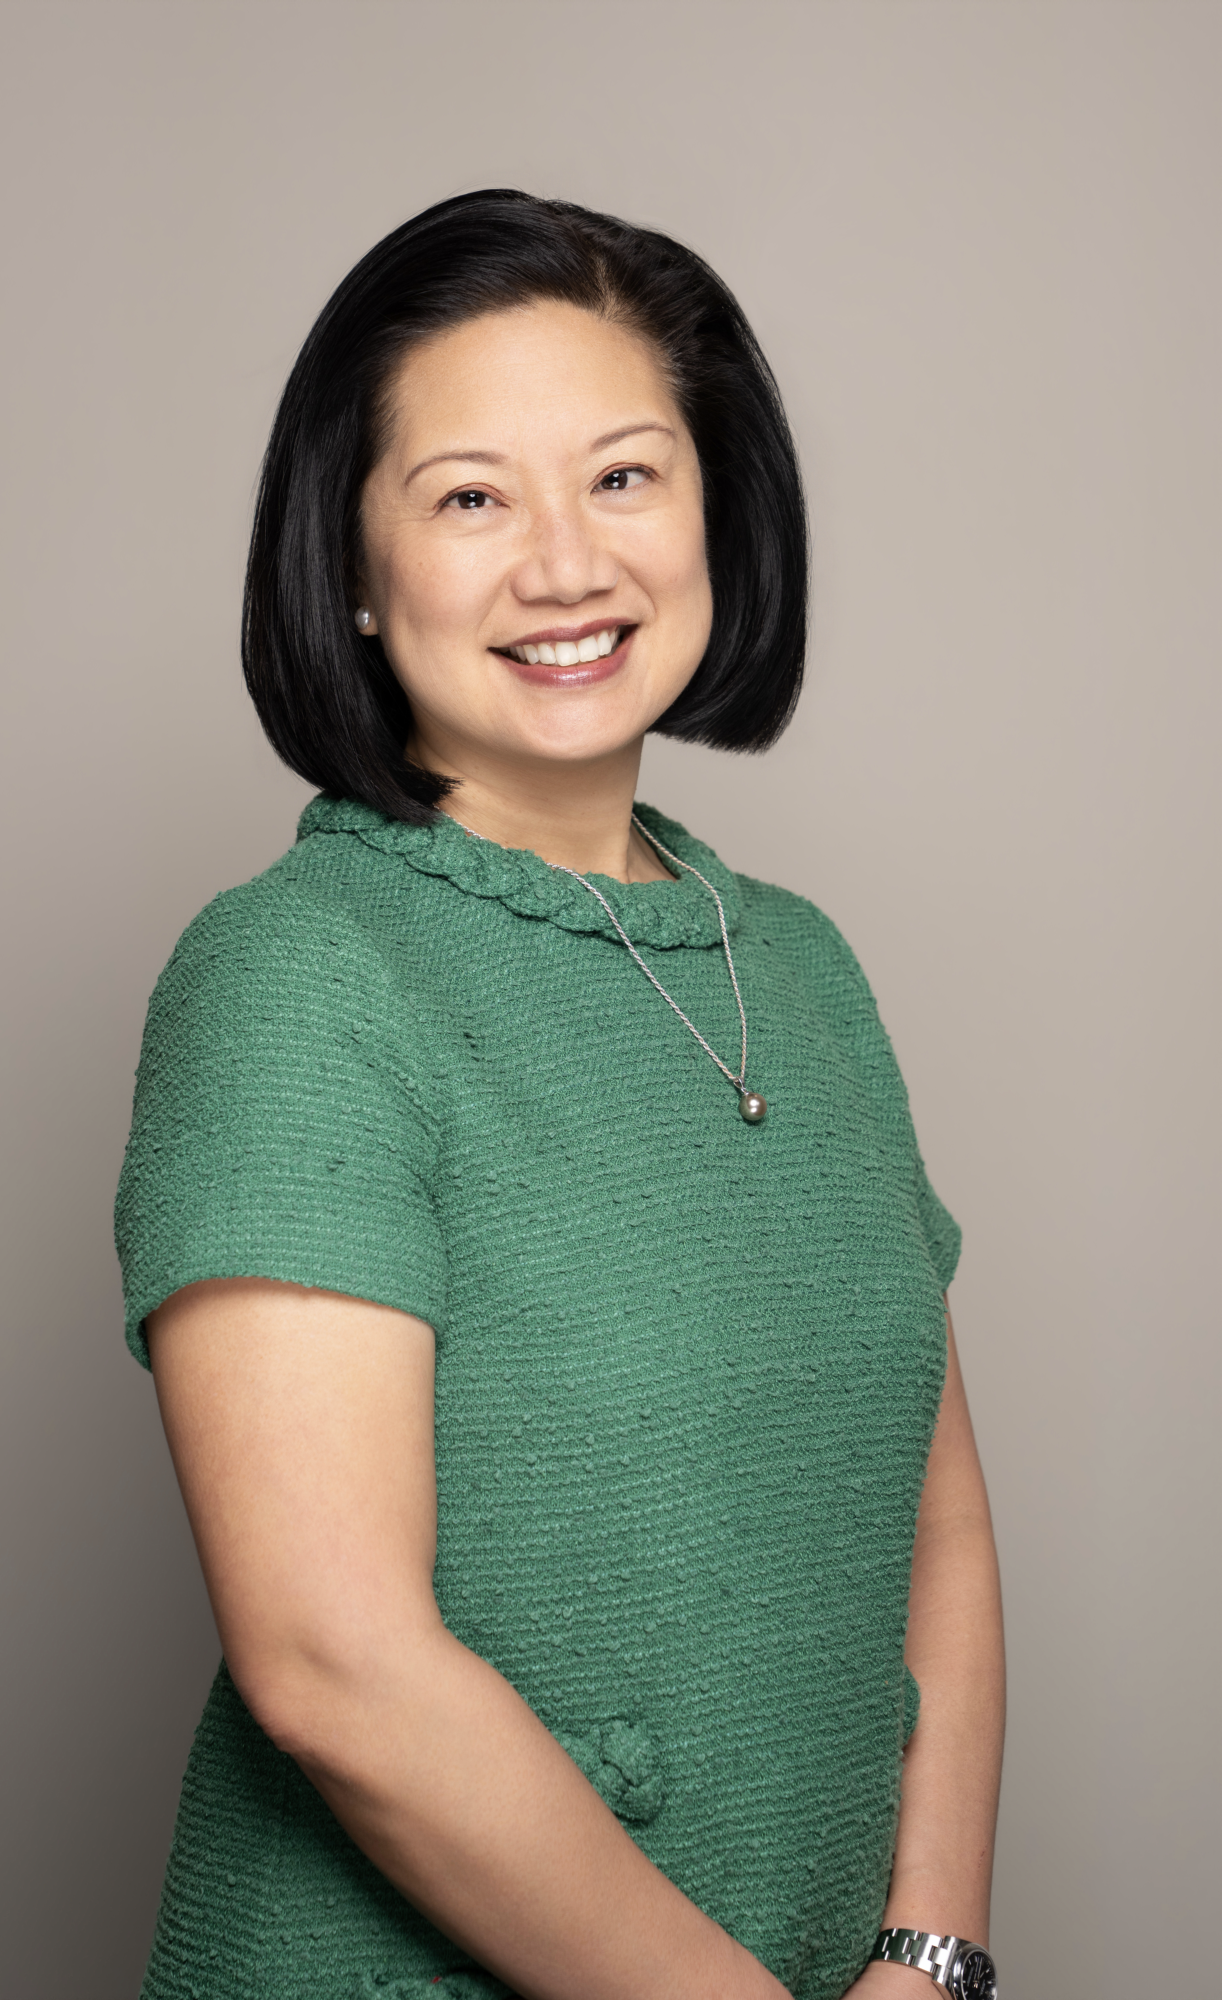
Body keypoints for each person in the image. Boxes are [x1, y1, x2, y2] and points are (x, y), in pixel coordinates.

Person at [115, 189, 1004, 2000]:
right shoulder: (297, 976)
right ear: (351, 570)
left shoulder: (801, 967)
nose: (566, 565)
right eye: (471, 499)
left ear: (715, 508)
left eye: (623, 477)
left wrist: (933, 1955)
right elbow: (335, 1665)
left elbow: (942, 1540)